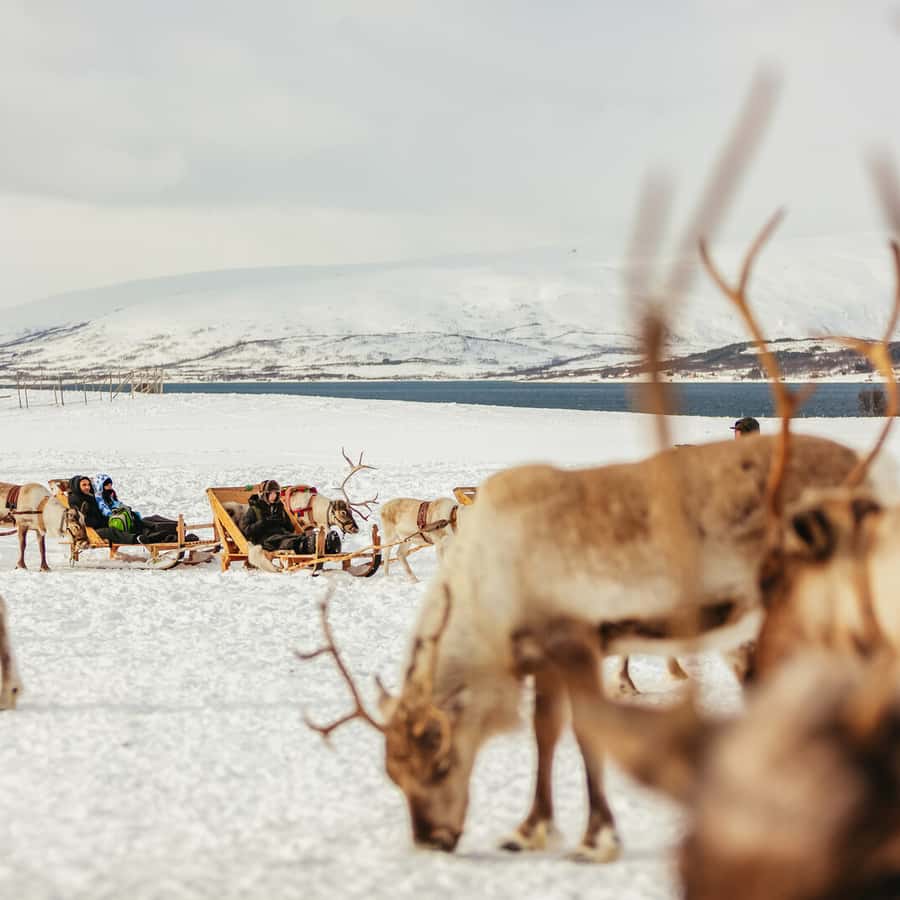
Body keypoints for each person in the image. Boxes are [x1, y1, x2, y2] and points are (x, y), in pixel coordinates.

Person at [239, 479, 339, 554]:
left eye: (276, 494)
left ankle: (328, 545)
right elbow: (246, 530)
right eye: (271, 494)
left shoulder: (279, 508)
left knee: (302, 536)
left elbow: (290, 528)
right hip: (266, 540)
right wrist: (263, 523)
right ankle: (312, 546)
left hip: (281, 535)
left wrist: (282, 521)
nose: (274, 496)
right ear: (266, 494)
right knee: (291, 542)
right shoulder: (255, 509)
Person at [68, 474, 141, 544]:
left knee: (123, 524)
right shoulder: (75, 500)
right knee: (111, 531)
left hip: (98, 526)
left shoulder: (90, 497)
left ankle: (144, 536)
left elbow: (99, 514)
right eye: (84, 485)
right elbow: (84, 520)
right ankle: (135, 539)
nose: (87, 487)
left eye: (88, 484)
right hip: (90, 532)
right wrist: (101, 522)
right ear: (77, 486)